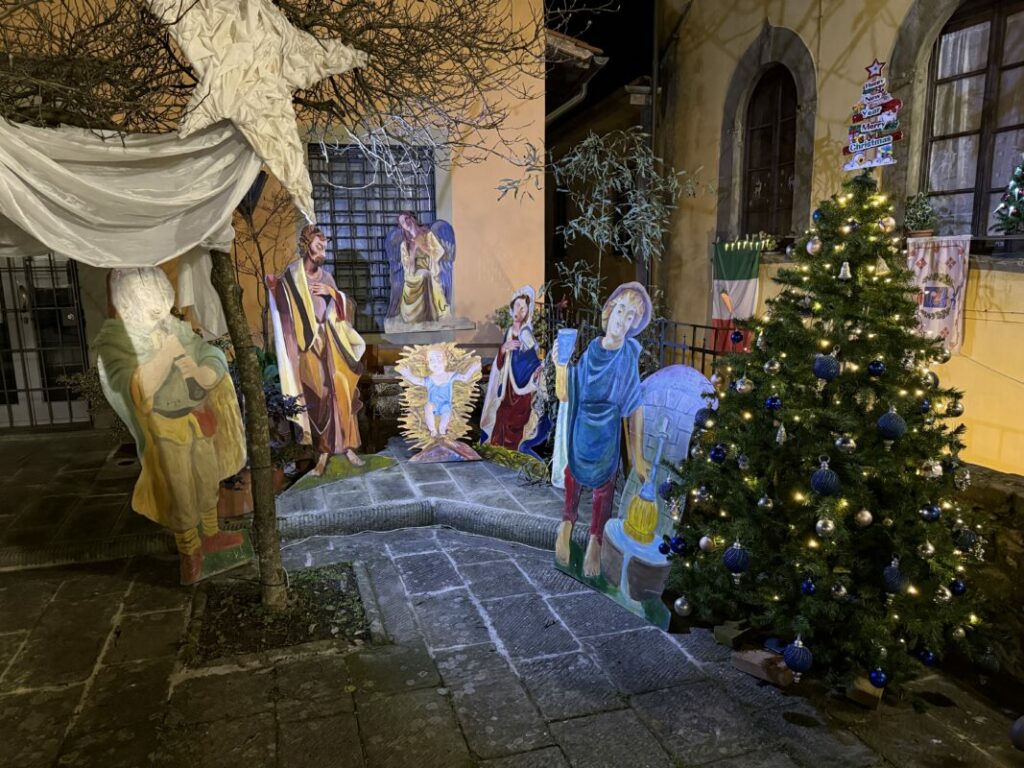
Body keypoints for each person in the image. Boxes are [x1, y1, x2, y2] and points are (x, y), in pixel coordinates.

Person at [95, 268, 247, 585]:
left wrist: (208, 369)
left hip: (197, 418)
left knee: (206, 478)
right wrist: (166, 354)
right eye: (154, 312)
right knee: (179, 489)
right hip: (164, 429)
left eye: (164, 309)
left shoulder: (170, 324)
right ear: (130, 306)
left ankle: (211, 534)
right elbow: (132, 385)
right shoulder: (117, 342)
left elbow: (204, 349)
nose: (162, 318)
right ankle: (190, 549)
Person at [554, 283, 651, 578]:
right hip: (583, 425)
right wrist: (560, 365)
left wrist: (638, 456)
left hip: (607, 432)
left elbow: (634, 405)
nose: (622, 320)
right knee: (573, 474)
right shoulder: (592, 350)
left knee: (604, 486)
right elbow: (565, 392)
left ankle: (595, 540)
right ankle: (566, 525)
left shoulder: (628, 355)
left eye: (630, 316)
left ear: (634, 324)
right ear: (610, 310)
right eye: (621, 310)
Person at [267, 224, 366, 476]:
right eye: (319, 246)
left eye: (325, 247)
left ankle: (348, 447)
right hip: (307, 345)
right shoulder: (293, 276)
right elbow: (283, 306)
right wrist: (274, 288)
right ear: (306, 245)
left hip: (332, 341)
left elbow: (344, 307)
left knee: (341, 388)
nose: (323, 251)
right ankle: (323, 452)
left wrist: (332, 292)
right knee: (320, 395)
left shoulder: (327, 277)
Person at [479, 287, 548, 455]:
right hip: (508, 384)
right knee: (502, 414)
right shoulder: (509, 332)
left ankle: (514, 451)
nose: (519, 310)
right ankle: (498, 448)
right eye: (517, 306)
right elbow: (500, 361)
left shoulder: (527, 333)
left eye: (523, 308)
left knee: (517, 419)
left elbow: (532, 359)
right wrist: (504, 348)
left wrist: (537, 370)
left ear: (527, 313)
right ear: (512, 308)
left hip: (523, 385)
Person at [396, 346, 481, 439]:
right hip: (433, 403)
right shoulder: (429, 379)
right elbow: (417, 381)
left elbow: (464, 378)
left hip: (445, 403)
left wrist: (473, 369)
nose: (435, 362)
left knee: (447, 412)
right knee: (427, 407)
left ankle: (442, 428)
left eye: (438, 358)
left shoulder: (450, 375)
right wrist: (407, 373)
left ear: (445, 361)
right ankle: (432, 429)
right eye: (431, 360)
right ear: (428, 364)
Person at [393, 213, 452, 323]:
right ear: (402, 227)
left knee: (426, 275)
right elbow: (408, 268)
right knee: (423, 276)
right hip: (413, 273)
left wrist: (422, 246)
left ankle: (430, 316)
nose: (406, 223)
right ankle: (417, 316)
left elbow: (440, 252)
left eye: (406, 218)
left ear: (412, 218)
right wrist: (413, 252)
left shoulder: (428, 236)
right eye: (402, 222)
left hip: (430, 270)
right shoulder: (404, 244)